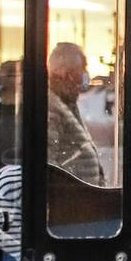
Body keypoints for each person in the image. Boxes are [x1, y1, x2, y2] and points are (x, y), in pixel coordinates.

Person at [46, 42, 104, 185]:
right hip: (71, 200)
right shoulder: (52, 108)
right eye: (83, 67)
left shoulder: (67, 103)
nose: (86, 73)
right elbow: (48, 164)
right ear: (67, 73)